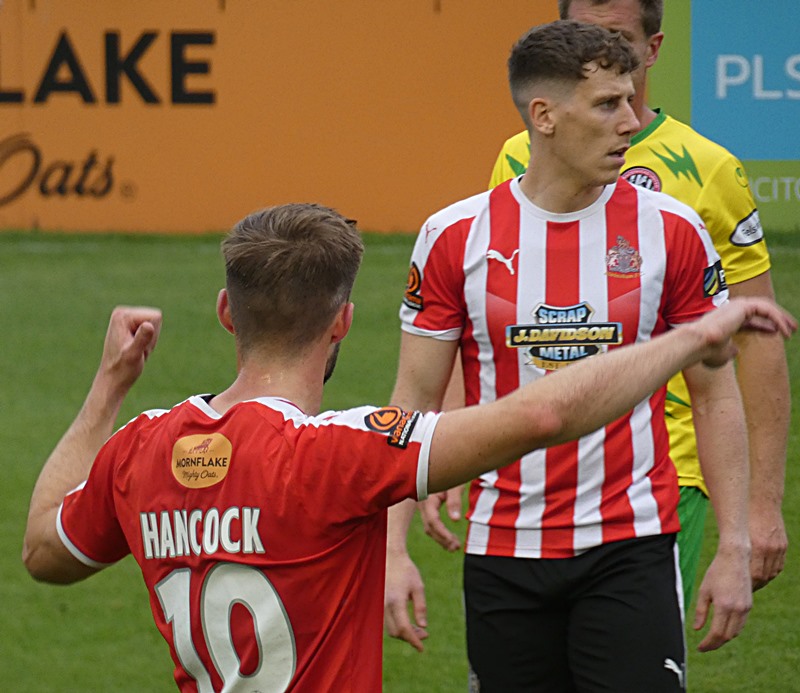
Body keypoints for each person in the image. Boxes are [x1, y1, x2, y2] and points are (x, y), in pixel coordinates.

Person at [23, 204, 793, 692]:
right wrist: (693, 334)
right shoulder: (337, 453)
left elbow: (43, 549)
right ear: (342, 323)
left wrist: (109, 384)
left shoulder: (142, 447)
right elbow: (541, 414)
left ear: (228, 311)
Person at [384, 19, 777, 692]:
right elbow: (411, 403)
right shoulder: (452, 236)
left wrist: (735, 545)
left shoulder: (673, 232)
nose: (631, 120)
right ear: (544, 116)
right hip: (502, 547)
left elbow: (715, 395)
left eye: (630, 100)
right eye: (608, 104)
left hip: (633, 545)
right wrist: (389, 551)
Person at [477, 0, 790, 608]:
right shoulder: (517, 156)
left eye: (615, 38)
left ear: (652, 48)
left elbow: (755, 336)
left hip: (666, 468)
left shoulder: (708, 168)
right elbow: (485, 317)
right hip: (534, 462)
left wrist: (761, 505)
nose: (594, 56)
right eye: (580, 37)